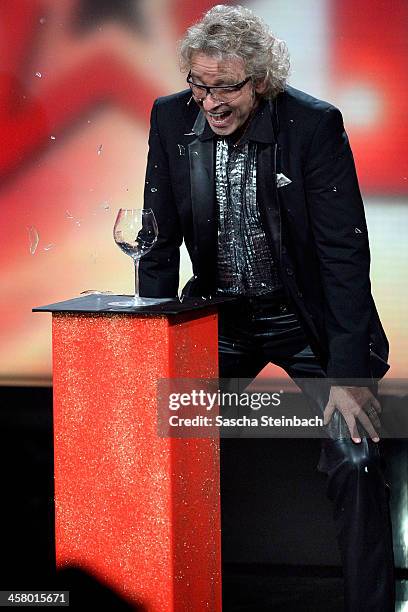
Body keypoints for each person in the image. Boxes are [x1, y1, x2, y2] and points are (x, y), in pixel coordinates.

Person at [139, 5, 395, 610]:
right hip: (220, 319)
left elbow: (343, 257)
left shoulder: (313, 125)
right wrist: (147, 351)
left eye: (228, 86)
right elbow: (156, 238)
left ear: (261, 80)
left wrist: (349, 376)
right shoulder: (170, 117)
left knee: (356, 457)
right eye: (200, 85)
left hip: (306, 320)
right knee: (154, 437)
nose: (211, 102)